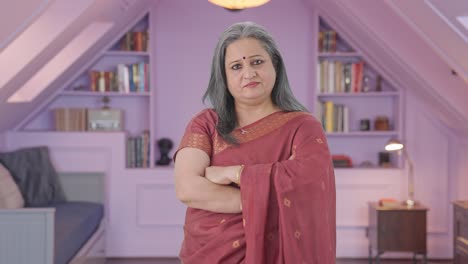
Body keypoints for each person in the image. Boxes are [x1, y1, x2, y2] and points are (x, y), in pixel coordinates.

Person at [174, 21, 336, 264]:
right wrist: (265, 199)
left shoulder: (302, 126)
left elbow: (310, 184)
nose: (248, 73)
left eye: (257, 62)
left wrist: (235, 174)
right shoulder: (206, 124)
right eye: (236, 66)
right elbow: (187, 189)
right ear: (224, 77)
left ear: (276, 65)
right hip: (209, 252)